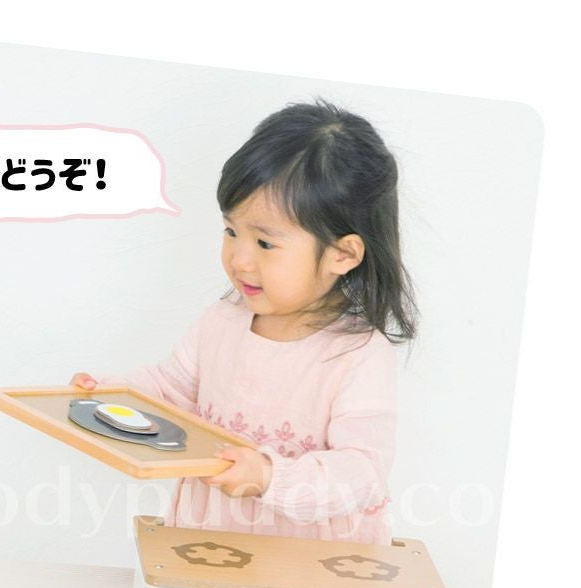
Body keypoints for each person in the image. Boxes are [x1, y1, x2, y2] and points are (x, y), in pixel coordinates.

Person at [71, 97, 417, 545]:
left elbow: (361, 472)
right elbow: (171, 390)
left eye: (265, 244)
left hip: (308, 558)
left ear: (343, 254)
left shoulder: (357, 354)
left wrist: (271, 477)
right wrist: (108, 394)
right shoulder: (222, 322)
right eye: (231, 231)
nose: (239, 259)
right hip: (210, 539)